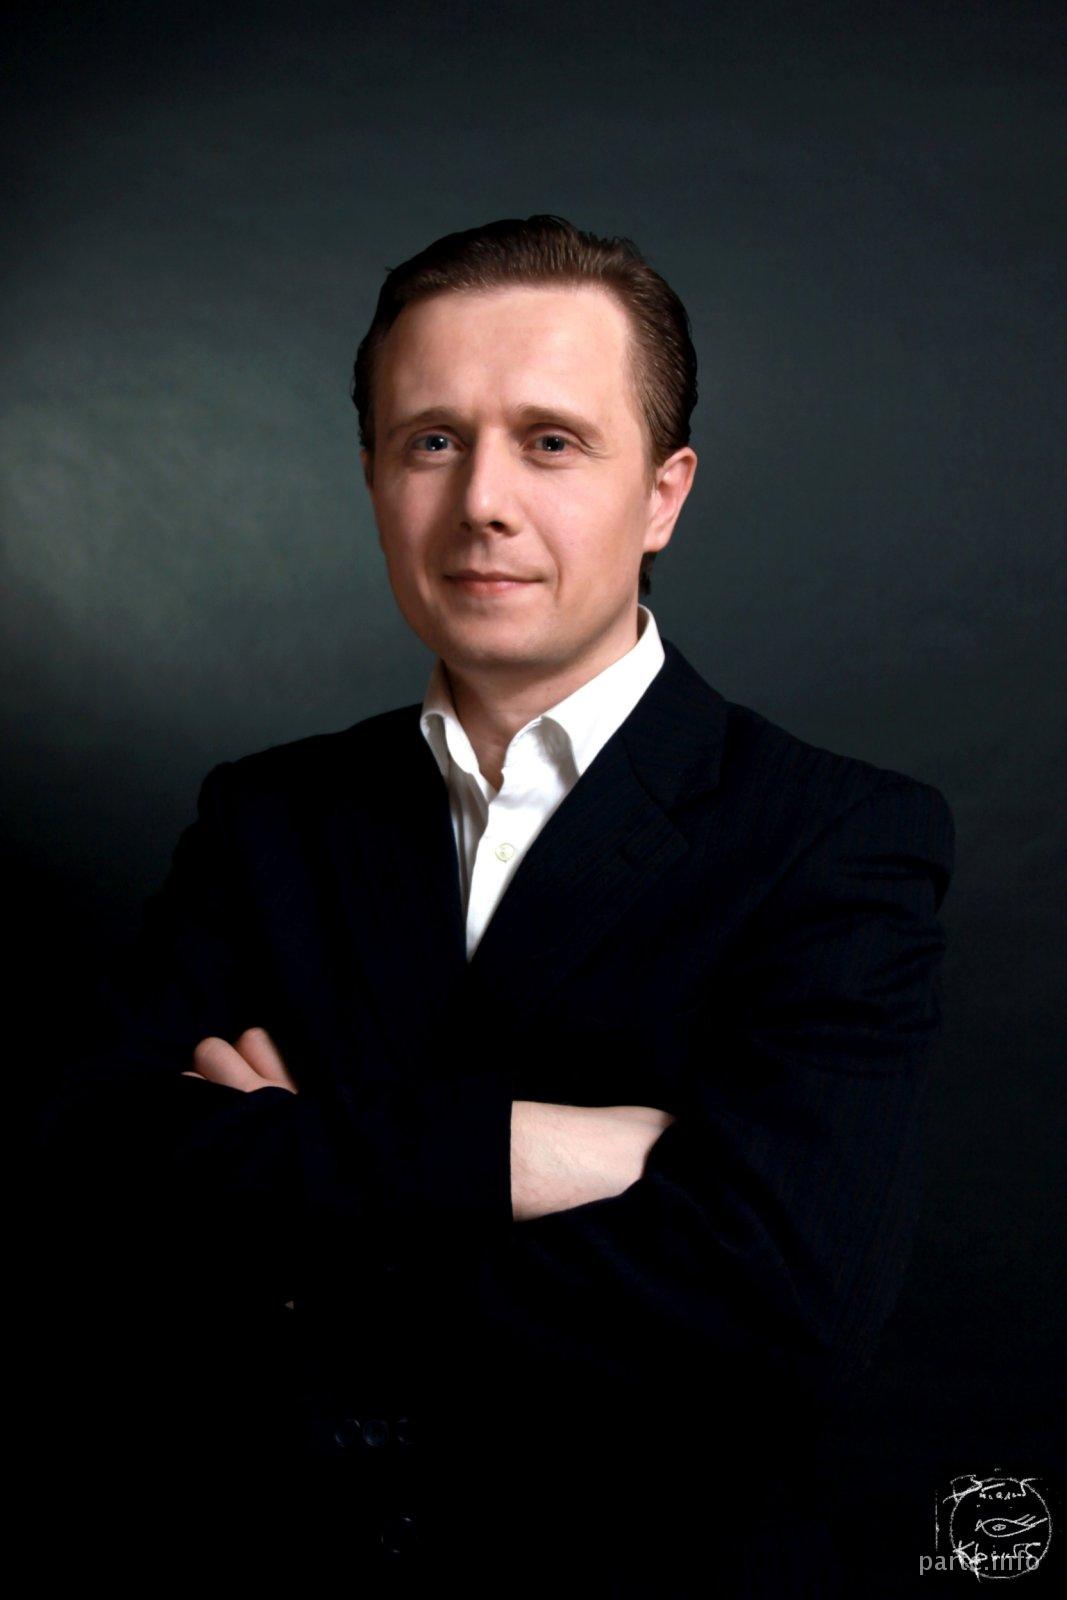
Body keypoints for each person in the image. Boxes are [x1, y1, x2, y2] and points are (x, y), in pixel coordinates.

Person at [35, 215, 954, 1595]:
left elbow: (783, 1314)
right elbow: (86, 1182)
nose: (482, 503)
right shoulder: (267, 816)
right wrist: (527, 1155)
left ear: (664, 495)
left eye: (552, 441)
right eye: (431, 441)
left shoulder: (837, 838)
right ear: (372, 478)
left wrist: (295, 1220)